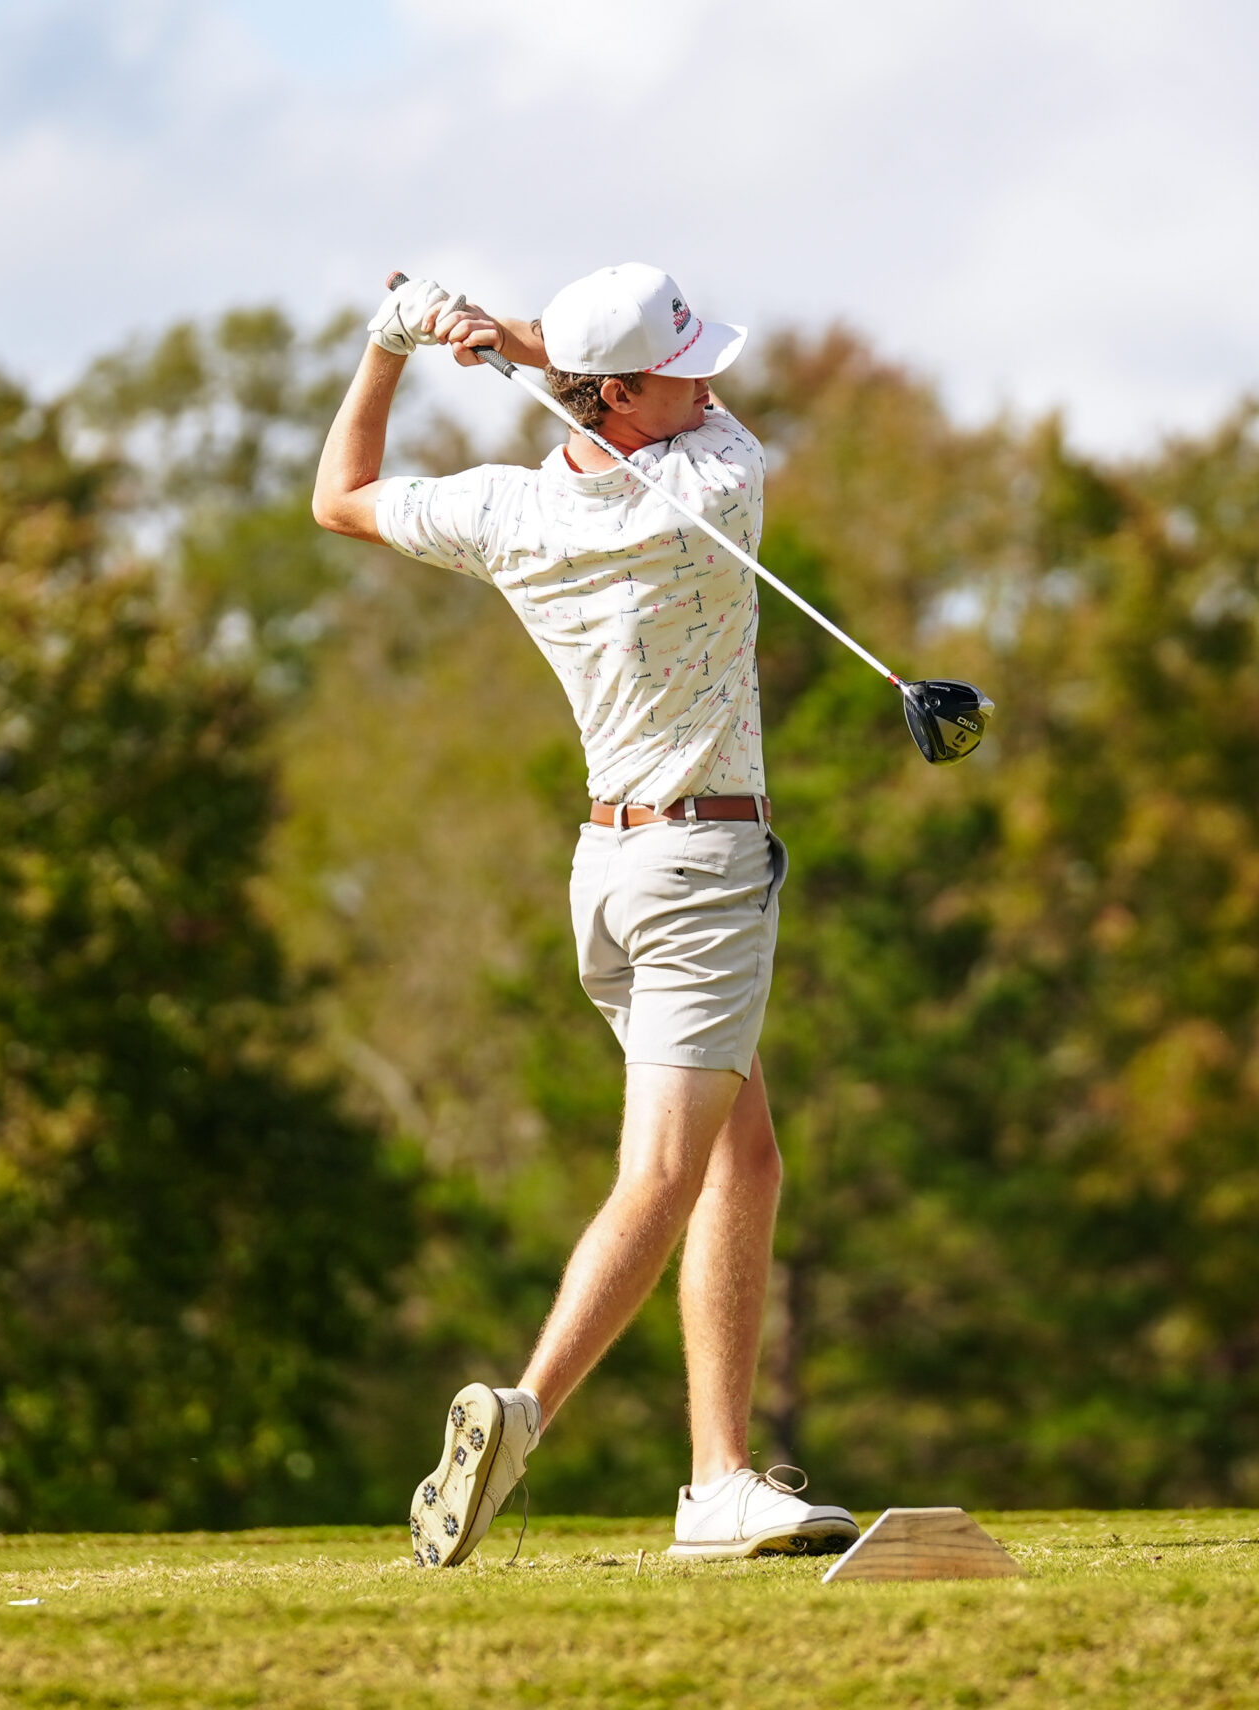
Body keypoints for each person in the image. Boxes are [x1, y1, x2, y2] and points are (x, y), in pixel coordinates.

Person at [312, 264, 859, 1568]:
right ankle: (526, 1408)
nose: (711, 382)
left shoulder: (505, 510)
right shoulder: (719, 492)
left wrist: (391, 345)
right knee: (666, 1175)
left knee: (743, 1157)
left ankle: (717, 1479)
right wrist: (516, 338)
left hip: (607, 883)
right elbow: (712, 431)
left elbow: (338, 495)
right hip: (703, 875)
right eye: (682, 368)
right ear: (620, 391)